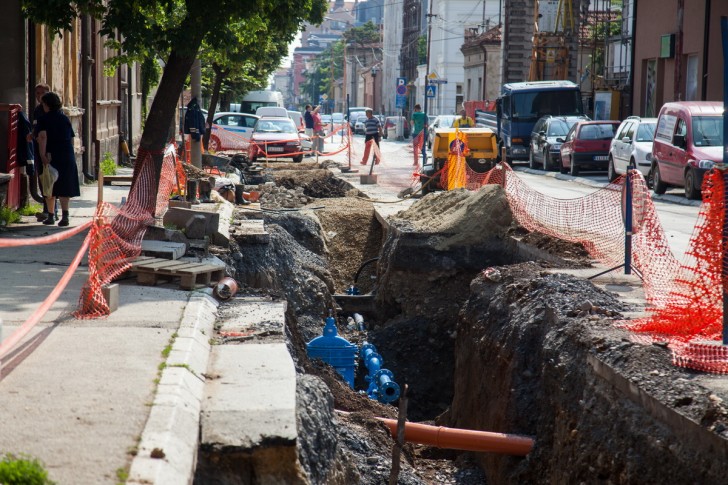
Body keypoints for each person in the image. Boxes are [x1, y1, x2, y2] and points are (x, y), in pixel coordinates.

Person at [36, 91, 80, 227]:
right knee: (64, 185)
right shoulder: (64, 118)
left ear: (47, 104)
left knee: (50, 184)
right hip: (66, 154)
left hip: (51, 154)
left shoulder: (44, 119)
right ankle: (65, 216)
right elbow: (71, 138)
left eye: (43, 103)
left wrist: (43, 155)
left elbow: (43, 137)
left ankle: (51, 216)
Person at [29, 83, 54, 221]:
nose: (39, 96)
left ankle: (51, 211)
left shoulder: (53, 110)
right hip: (38, 148)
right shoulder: (38, 110)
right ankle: (47, 210)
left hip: (49, 149)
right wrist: (32, 134)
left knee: (50, 180)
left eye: (42, 93)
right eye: (37, 94)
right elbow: (36, 126)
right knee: (42, 179)